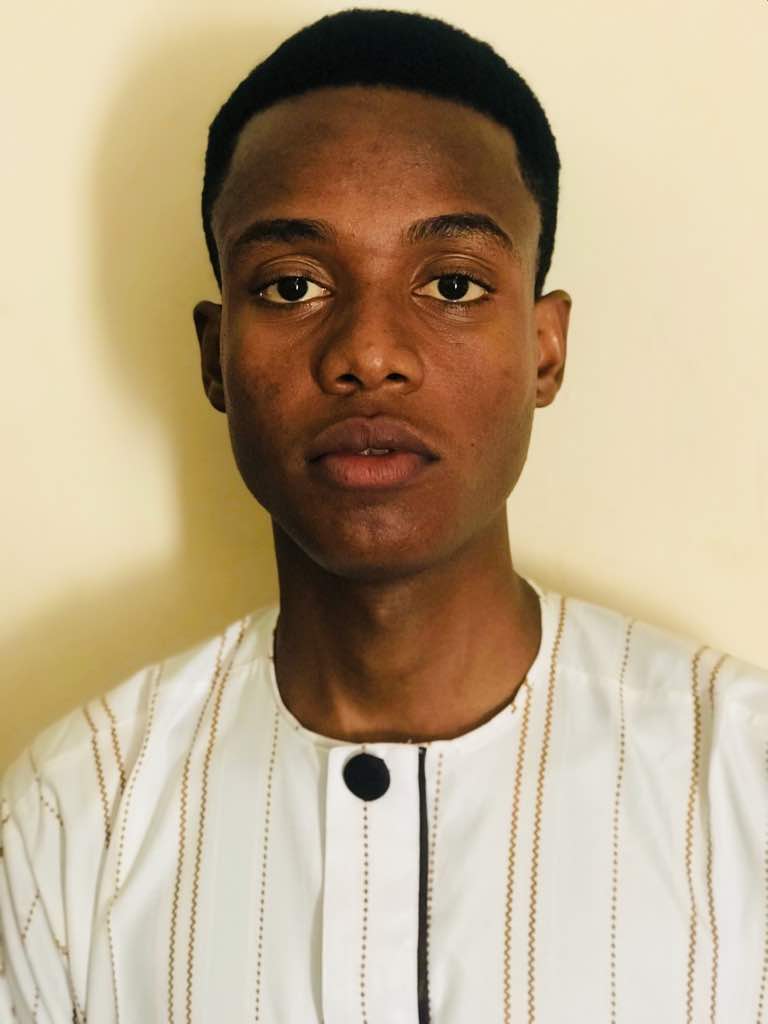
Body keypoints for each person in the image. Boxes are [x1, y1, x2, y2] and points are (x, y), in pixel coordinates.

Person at [1, 8, 766, 1022]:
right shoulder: (72, 822)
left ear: (543, 349)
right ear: (215, 355)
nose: (369, 352)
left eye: (451, 284)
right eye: (293, 285)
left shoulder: (743, 785)